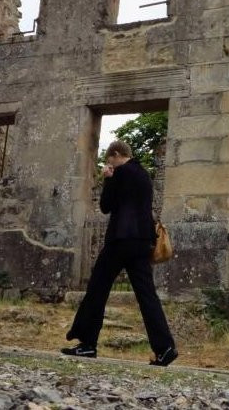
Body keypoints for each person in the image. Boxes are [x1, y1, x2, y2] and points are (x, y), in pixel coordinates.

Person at [62, 140, 177, 366]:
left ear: (116, 155)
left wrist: (107, 179)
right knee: (147, 296)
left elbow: (106, 206)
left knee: (97, 288)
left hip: (121, 240)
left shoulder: (120, 173)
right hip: (143, 241)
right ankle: (165, 348)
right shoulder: (144, 174)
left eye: (109, 160)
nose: (109, 164)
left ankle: (87, 344)